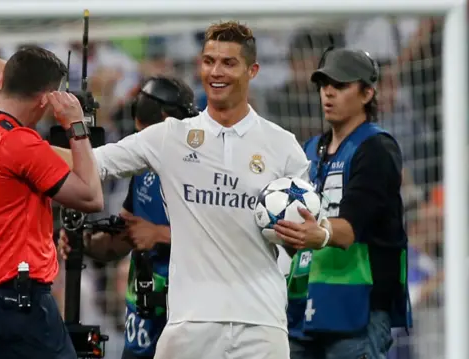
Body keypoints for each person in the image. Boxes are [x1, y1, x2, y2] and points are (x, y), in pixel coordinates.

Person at [55, 21, 309, 359]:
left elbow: (309, 225)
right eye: (208, 61)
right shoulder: (170, 137)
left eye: (228, 63)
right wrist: (12, 142)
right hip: (189, 326)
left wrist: (312, 235)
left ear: (253, 71)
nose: (215, 71)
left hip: (261, 326)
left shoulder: (283, 146)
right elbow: (89, 162)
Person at [0, 45, 103, 359]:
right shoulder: (18, 141)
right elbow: (91, 196)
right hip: (19, 302)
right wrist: (76, 126)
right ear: (47, 98)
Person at [273, 48, 411, 359]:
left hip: (358, 311)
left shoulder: (377, 148)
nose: (328, 93)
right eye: (323, 85)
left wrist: (317, 233)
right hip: (305, 306)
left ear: (367, 93)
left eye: (341, 85)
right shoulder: (309, 150)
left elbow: (349, 228)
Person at [58, 75, 198, 359]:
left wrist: (160, 235)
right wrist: (82, 242)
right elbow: (121, 239)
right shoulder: (143, 171)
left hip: (189, 316)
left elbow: (229, 238)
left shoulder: (204, 173)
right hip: (143, 316)